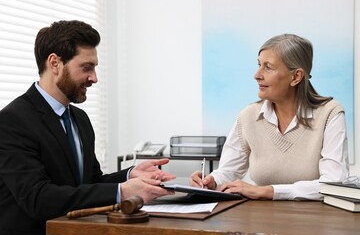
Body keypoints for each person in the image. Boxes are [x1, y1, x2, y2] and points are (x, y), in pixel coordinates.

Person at [0, 20, 175, 235]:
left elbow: (90, 183)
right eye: (86, 67)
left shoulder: (80, 118)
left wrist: (130, 175)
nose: (94, 77)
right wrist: (122, 191)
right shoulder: (11, 121)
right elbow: (38, 198)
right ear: (54, 63)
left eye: (94, 67)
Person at [190, 34, 349, 200]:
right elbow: (228, 171)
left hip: (315, 221)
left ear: (296, 77)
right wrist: (212, 181)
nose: (257, 75)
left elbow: (333, 184)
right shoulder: (248, 116)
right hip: (260, 219)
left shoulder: (330, 114)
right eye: (259, 65)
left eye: (268, 67)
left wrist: (268, 191)